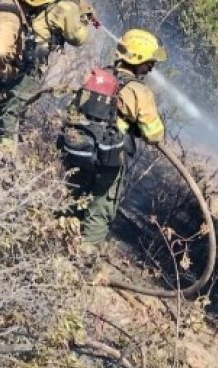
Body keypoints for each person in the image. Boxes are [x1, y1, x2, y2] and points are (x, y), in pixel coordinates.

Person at [59, 28, 167, 248]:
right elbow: (154, 134)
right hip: (108, 159)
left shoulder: (97, 75)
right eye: (149, 62)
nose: (151, 67)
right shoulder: (139, 91)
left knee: (72, 198)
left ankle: (55, 243)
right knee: (100, 211)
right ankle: (83, 262)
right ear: (138, 59)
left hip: (80, 151)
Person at [0, 0, 97, 148]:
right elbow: (78, 38)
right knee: (12, 110)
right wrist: (85, 18)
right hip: (27, 64)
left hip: (17, 56)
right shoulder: (68, 7)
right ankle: (1, 153)